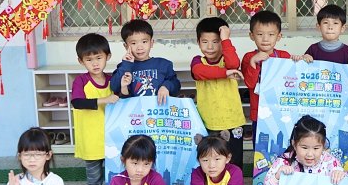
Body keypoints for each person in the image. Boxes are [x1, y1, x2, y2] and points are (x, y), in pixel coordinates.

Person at [71, 33, 119, 185]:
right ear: (81, 61)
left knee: (112, 175)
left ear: (107, 56)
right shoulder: (81, 81)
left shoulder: (113, 80)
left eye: (98, 58)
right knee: (94, 178)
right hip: (91, 140)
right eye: (89, 60)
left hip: (112, 141)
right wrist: (103, 100)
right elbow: (77, 102)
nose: (95, 63)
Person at [191, 17, 247, 170]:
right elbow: (200, 72)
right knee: (210, 164)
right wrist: (226, 73)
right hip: (207, 123)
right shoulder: (197, 61)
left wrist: (226, 39)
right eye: (205, 42)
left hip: (232, 122)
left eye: (216, 42)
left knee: (234, 164)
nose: (210, 47)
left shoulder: (228, 61)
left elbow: (234, 64)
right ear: (198, 42)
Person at [241, 10, 292, 135]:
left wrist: (301, 59)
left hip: (282, 111)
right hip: (259, 113)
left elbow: (292, 81)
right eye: (260, 34)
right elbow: (250, 84)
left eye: (271, 34)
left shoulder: (284, 56)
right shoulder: (249, 57)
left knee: (283, 146)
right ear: (251, 35)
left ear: (279, 36)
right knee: (260, 148)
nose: (265, 39)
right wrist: (254, 62)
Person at [110, 19, 180, 104]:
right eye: (133, 43)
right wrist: (126, 65)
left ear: (151, 43)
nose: (140, 47)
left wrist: (166, 87)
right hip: (135, 114)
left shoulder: (163, 64)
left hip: (159, 112)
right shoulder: (124, 67)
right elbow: (114, 87)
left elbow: (176, 85)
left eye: (144, 42)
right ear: (126, 46)